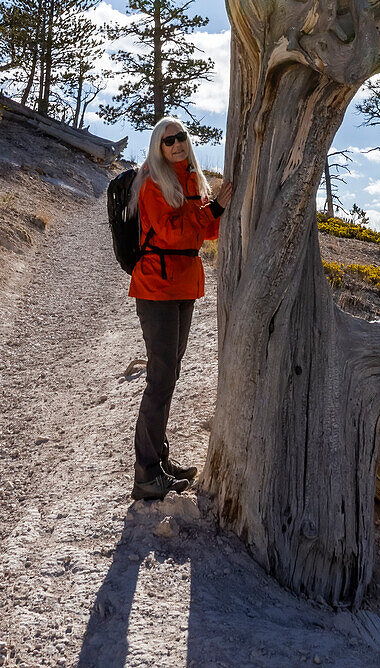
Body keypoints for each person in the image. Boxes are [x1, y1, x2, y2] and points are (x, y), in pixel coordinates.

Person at [128, 116, 233, 501]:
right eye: (168, 140)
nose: (176, 144)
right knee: (159, 378)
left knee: (169, 375)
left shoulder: (192, 179)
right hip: (156, 286)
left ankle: (159, 459)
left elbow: (207, 230)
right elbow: (173, 231)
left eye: (181, 137)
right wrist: (213, 211)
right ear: (158, 147)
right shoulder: (152, 182)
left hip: (183, 284)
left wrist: (215, 210)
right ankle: (145, 474)